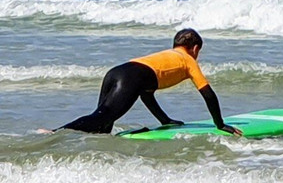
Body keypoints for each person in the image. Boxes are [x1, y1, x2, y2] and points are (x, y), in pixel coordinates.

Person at [55, 28, 243, 135]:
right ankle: (57, 132)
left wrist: (165, 120)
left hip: (117, 71)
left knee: (103, 125)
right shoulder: (188, 60)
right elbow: (208, 94)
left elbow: (146, 95)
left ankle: (74, 147)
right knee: (102, 117)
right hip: (132, 77)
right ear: (194, 48)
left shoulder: (164, 57)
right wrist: (220, 124)